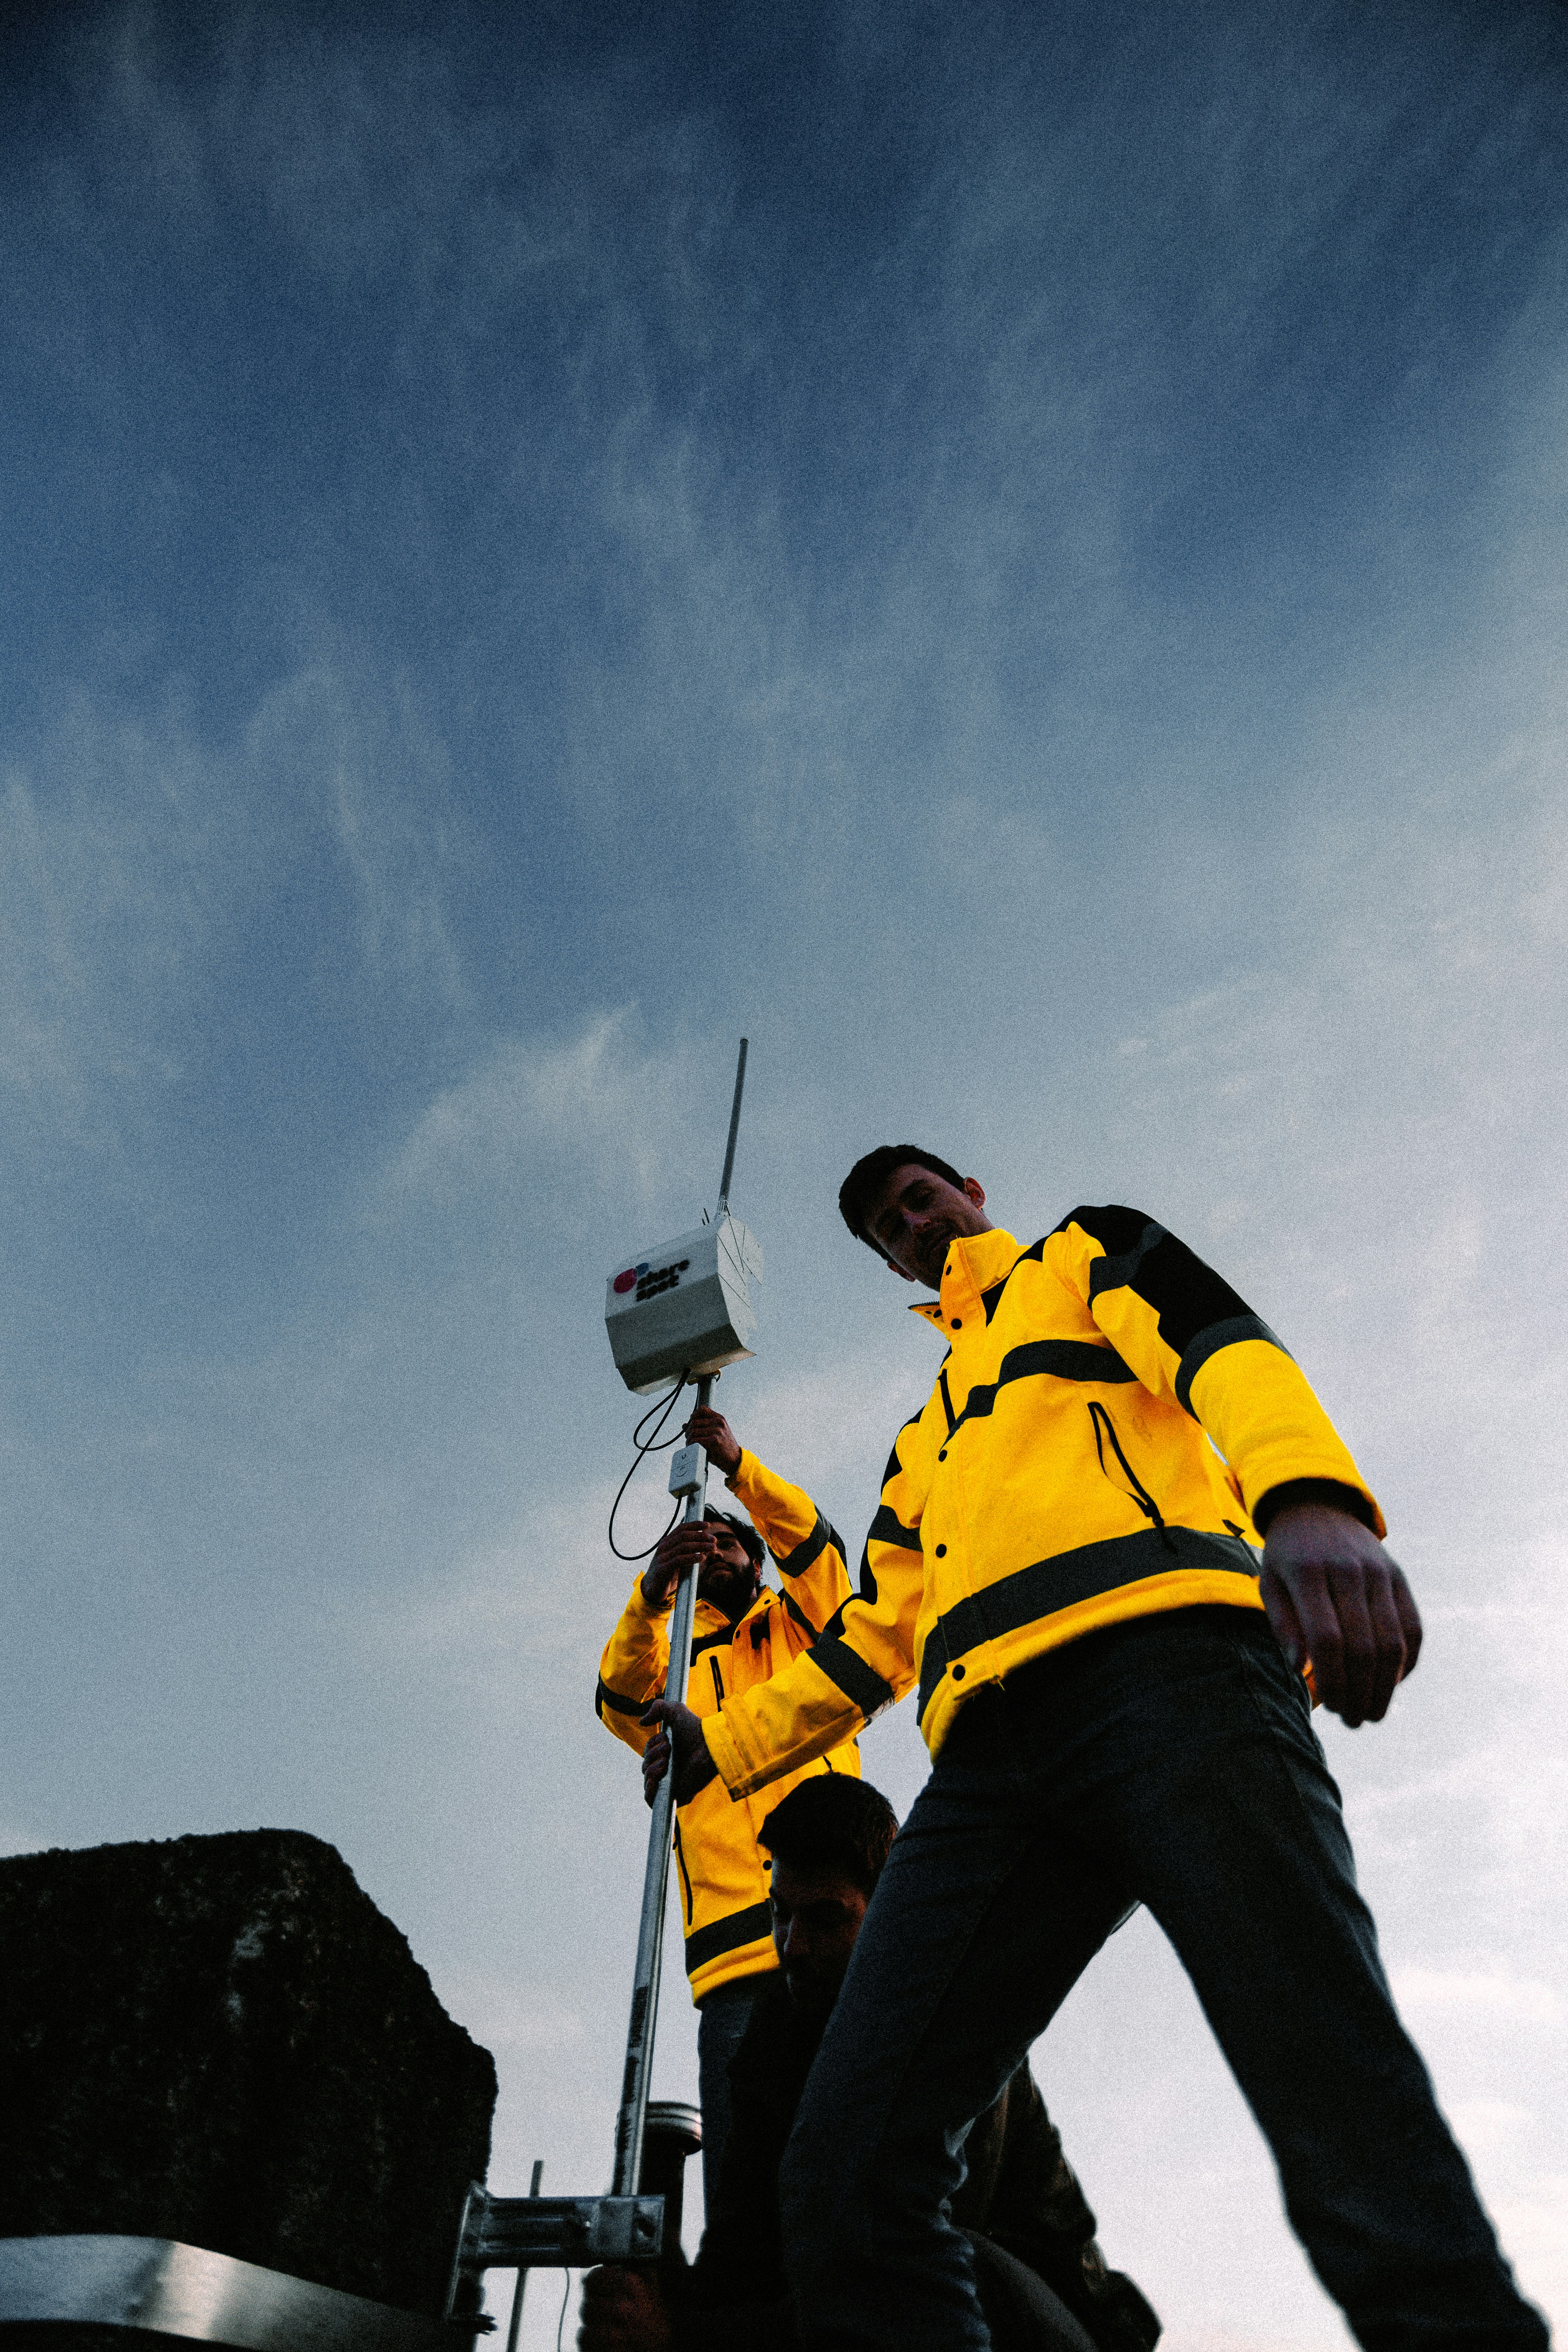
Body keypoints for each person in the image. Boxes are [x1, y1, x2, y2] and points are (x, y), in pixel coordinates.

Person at [642, 1152, 1550, 2351]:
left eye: (921, 1198)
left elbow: (1226, 1348)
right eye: (885, 1228)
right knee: (847, 2172)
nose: (912, 1226)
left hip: (1172, 1674)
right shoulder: (924, 1446)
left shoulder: (1080, 1257)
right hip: (984, 1772)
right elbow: (870, 1640)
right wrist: (721, 1743)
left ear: (967, 1187)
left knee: (1326, 2070)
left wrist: (1310, 1500)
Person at [578, 1775, 1159, 2352]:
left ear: (889, 1913)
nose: (794, 1947)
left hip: (1031, 2323)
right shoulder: (775, 2034)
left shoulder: (950, 2022)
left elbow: (902, 2272)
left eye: (827, 1919)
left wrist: (684, 2339)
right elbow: (743, 2260)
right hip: (894, 2309)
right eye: (783, 1914)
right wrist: (655, 2300)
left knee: (932, 2261)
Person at [597, 1404, 862, 2199]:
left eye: (728, 1542)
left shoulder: (799, 1626)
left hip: (840, 1926)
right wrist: (650, 1594)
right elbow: (616, 1699)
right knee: (748, 2185)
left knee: (861, 2158)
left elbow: (820, 1552)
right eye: (696, 1547)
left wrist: (741, 1468)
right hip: (733, 1961)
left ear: (755, 1558)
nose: (712, 1551)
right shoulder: (674, 1658)